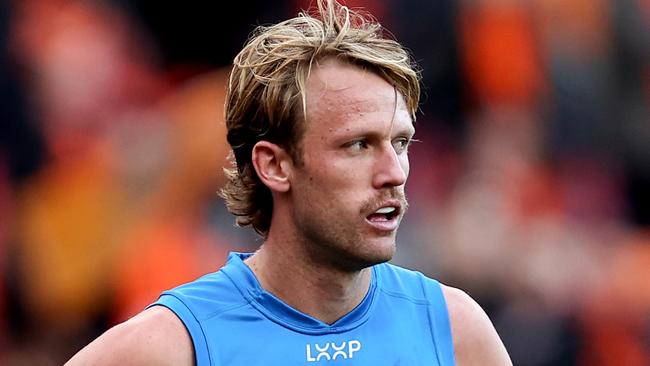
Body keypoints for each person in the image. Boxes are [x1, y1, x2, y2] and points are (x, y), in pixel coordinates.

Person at [66, 0, 512, 364]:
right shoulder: (171, 345)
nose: (393, 173)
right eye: (357, 145)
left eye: (400, 143)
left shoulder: (456, 332)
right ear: (274, 166)